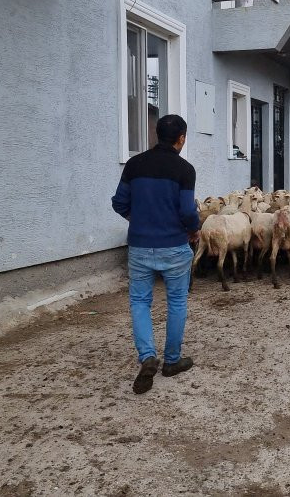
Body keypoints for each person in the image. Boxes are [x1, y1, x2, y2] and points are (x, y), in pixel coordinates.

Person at [111, 114, 200, 395]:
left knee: (139, 301)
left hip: (139, 245)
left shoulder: (135, 165)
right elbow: (187, 211)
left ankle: (148, 356)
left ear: (156, 134)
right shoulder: (185, 169)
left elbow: (119, 202)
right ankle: (172, 361)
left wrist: (137, 219)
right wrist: (193, 230)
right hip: (174, 245)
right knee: (176, 301)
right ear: (181, 138)